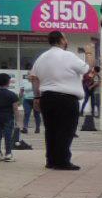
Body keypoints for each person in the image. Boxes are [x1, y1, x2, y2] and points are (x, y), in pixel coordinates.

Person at [29, 31, 89, 170]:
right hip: (66, 98)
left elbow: (34, 78)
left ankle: (51, 160)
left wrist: (37, 97)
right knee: (66, 129)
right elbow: (85, 69)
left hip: (47, 97)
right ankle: (62, 160)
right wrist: (89, 54)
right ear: (62, 40)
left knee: (51, 129)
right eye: (65, 38)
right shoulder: (68, 55)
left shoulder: (41, 57)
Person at [0, 74, 19, 162]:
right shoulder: (12, 95)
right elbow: (15, 109)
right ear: (8, 82)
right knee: (8, 136)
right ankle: (8, 154)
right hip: (8, 117)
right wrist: (17, 121)